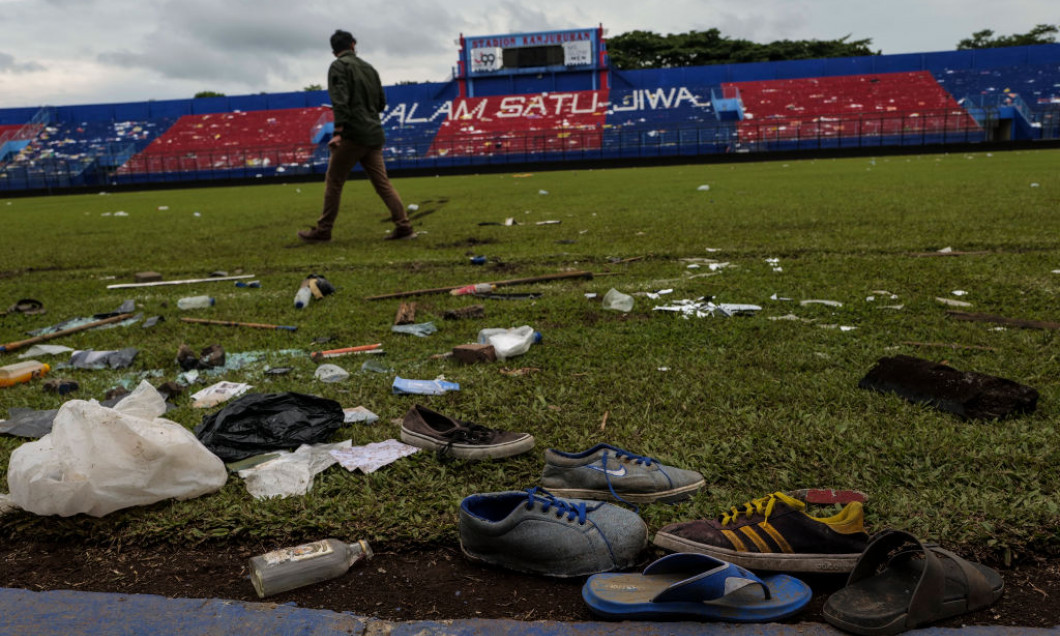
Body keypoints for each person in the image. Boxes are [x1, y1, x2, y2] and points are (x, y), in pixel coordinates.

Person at [298, 29, 414, 242]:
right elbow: (381, 103)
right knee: (383, 184)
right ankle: (404, 226)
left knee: (334, 181)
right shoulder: (369, 68)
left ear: (334, 51)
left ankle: (323, 231)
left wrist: (338, 131)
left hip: (352, 135)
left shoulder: (338, 67)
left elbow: (340, 100)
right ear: (353, 45)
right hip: (373, 134)